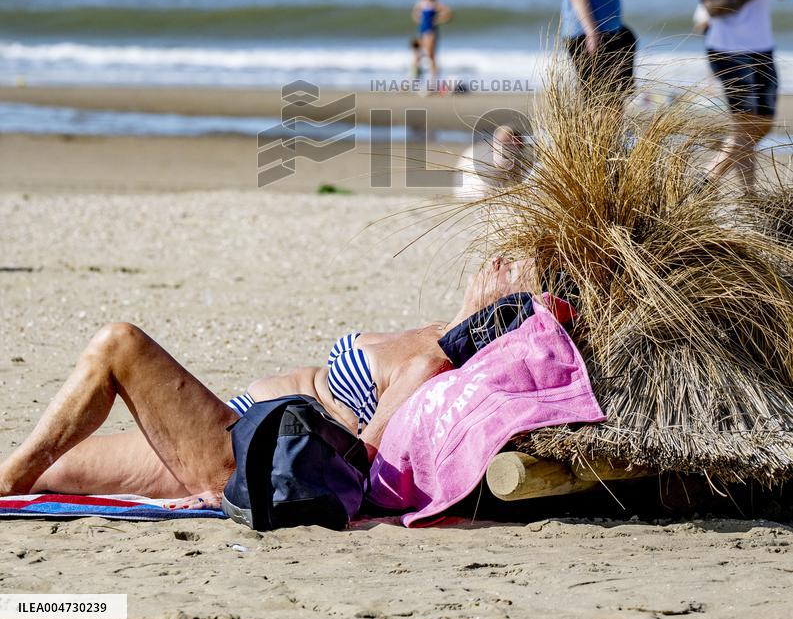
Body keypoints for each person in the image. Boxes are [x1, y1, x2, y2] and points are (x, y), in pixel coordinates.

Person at [0, 257, 538, 509]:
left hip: (243, 455)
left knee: (118, 344)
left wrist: (234, 496)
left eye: (513, 269)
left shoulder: (430, 362)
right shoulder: (430, 333)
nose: (497, 261)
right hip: (224, 428)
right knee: (54, 467)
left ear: (508, 308)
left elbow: (362, 462)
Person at [693, 0, 793, 191]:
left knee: (757, 126)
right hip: (726, 48)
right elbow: (713, 7)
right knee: (749, 125)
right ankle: (705, 180)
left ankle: (747, 197)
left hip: (761, 44)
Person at [454, 125, 533, 201]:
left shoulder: (475, 149)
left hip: (462, 194)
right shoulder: (502, 156)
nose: (515, 149)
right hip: (478, 196)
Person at [411, 0, 452, 89]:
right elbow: (414, 13)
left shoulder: (435, 3)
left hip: (430, 32)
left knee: (430, 56)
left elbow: (448, 13)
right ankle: (413, 80)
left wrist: (437, 19)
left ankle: (433, 81)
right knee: (417, 55)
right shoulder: (420, 2)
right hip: (421, 31)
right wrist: (419, 18)